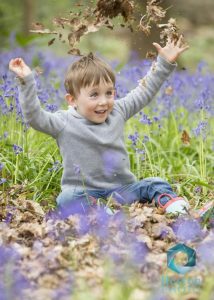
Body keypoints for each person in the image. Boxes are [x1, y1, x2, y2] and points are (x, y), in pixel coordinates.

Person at [9, 38, 213, 218]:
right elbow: (34, 116)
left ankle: (177, 210)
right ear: (72, 100)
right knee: (66, 199)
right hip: (83, 191)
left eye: (109, 93)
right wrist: (26, 81)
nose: (104, 102)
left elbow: (145, 91)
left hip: (122, 190)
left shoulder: (118, 111)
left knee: (154, 183)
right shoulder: (63, 123)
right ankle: (99, 213)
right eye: (94, 95)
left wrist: (164, 63)